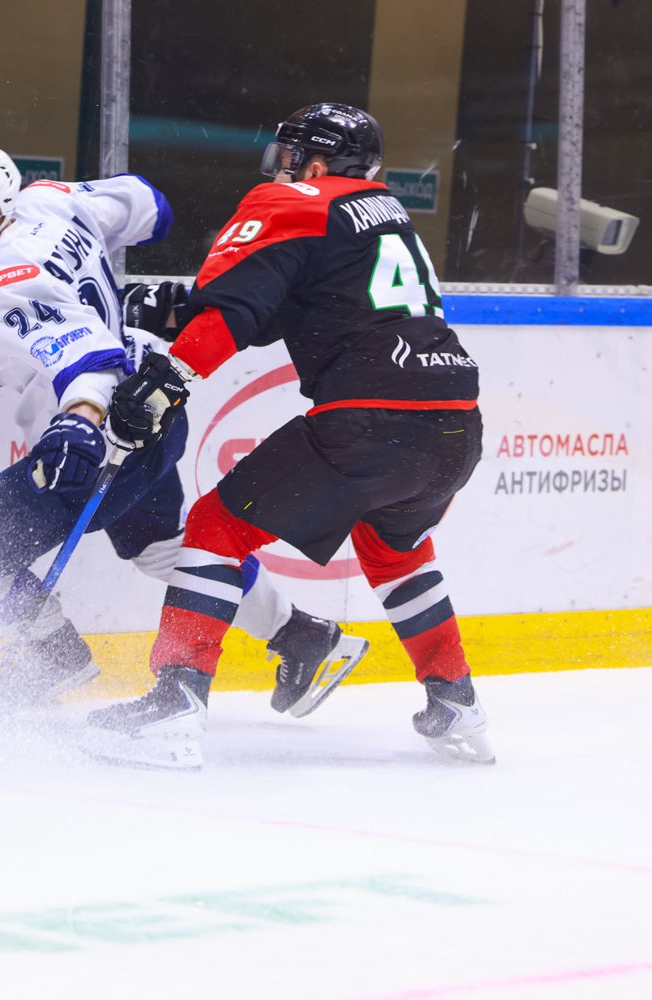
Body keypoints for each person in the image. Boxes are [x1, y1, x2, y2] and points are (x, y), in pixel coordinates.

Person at [83, 103, 492, 768]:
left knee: (216, 526)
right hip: (454, 423)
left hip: (370, 417)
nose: (279, 169)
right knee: (395, 549)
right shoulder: (386, 213)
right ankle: (456, 700)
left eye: (290, 157)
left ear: (317, 164)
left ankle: (175, 702)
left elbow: (237, 311)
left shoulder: (294, 200)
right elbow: (293, 305)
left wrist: (167, 378)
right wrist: (180, 309)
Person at [0, 140, 367, 713]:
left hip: (104, 436)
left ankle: (53, 656)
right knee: (160, 547)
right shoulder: (49, 199)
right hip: (154, 409)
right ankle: (303, 637)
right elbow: (150, 207)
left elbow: (86, 360)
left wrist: (79, 423)